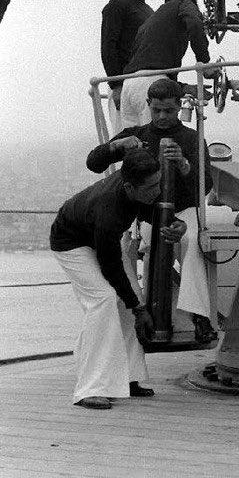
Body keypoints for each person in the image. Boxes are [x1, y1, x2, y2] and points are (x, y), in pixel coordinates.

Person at [50, 149, 187, 410]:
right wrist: (139, 309)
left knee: (128, 300)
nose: (157, 191)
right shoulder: (108, 210)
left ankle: (129, 377)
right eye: (151, 188)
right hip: (71, 242)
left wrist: (178, 222)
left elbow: (149, 208)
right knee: (103, 299)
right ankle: (90, 388)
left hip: (100, 239)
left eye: (158, 183)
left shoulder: (136, 183)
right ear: (129, 187)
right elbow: (111, 267)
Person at [86, 77, 216, 343]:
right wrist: (116, 146)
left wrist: (184, 165)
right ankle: (146, 315)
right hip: (148, 213)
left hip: (184, 210)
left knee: (192, 243)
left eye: (169, 110)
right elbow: (94, 162)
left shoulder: (192, 139)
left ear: (178, 106)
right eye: (156, 110)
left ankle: (199, 316)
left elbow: (205, 185)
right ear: (148, 105)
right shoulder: (138, 136)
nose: (162, 116)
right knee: (147, 243)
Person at [119, 0, 214, 128]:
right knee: (157, 137)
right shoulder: (183, 3)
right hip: (150, 84)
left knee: (131, 138)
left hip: (128, 85)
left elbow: (148, 69)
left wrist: (185, 88)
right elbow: (194, 23)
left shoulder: (147, 25)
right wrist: (204, 63)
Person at [100, 0, 163, 133]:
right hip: (125, 86)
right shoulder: (117, 5)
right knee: (125, 140)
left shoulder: (147, 10)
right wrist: (116, 85)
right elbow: (108, 46)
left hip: (144, 85)